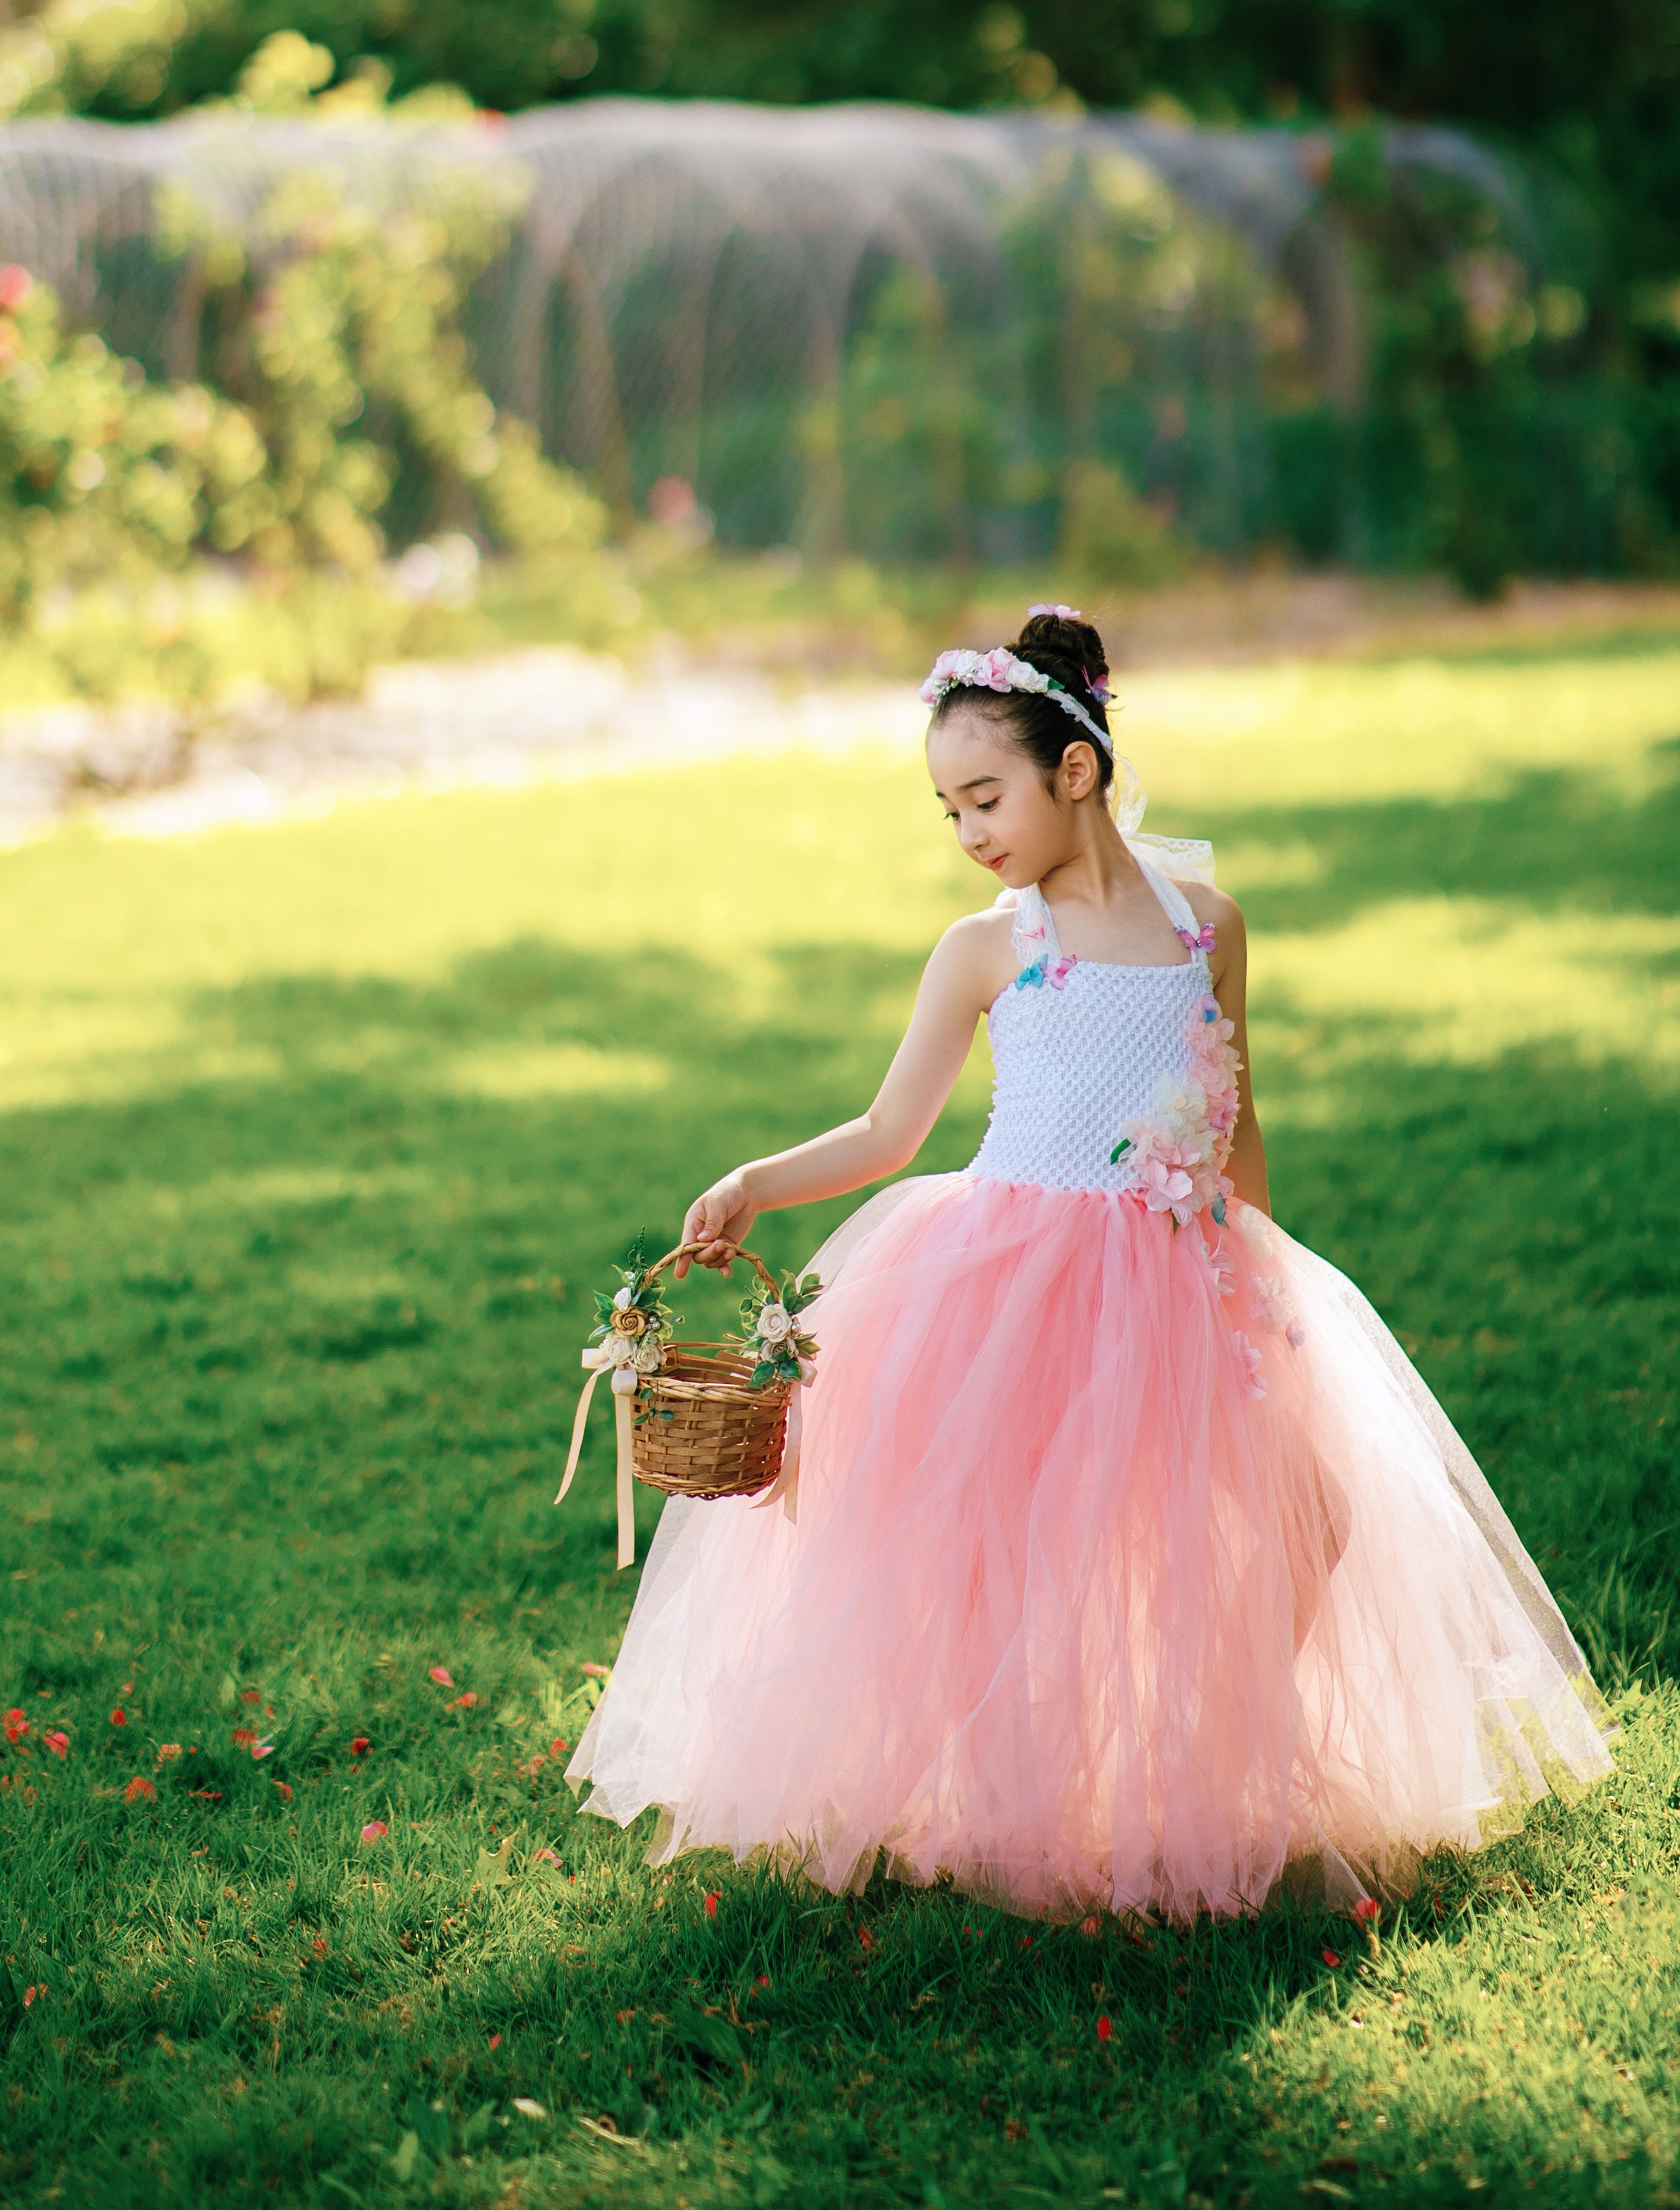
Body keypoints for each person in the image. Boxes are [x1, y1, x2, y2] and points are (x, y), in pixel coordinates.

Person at [569, 606, 1613, 1919]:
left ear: (1077, 771)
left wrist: (1267, 1265)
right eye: (946, 809)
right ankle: (993, 1782)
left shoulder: (1207, 930)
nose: (969, 834)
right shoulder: (992, 949)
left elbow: (1235, 1111)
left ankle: (1193, 1756)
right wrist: (754, 1183)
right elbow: (894, 1131)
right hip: (1013, 1273)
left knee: (1309, 1513)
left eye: (986, 796)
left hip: (1186, 1277)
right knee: (1011, 1539)